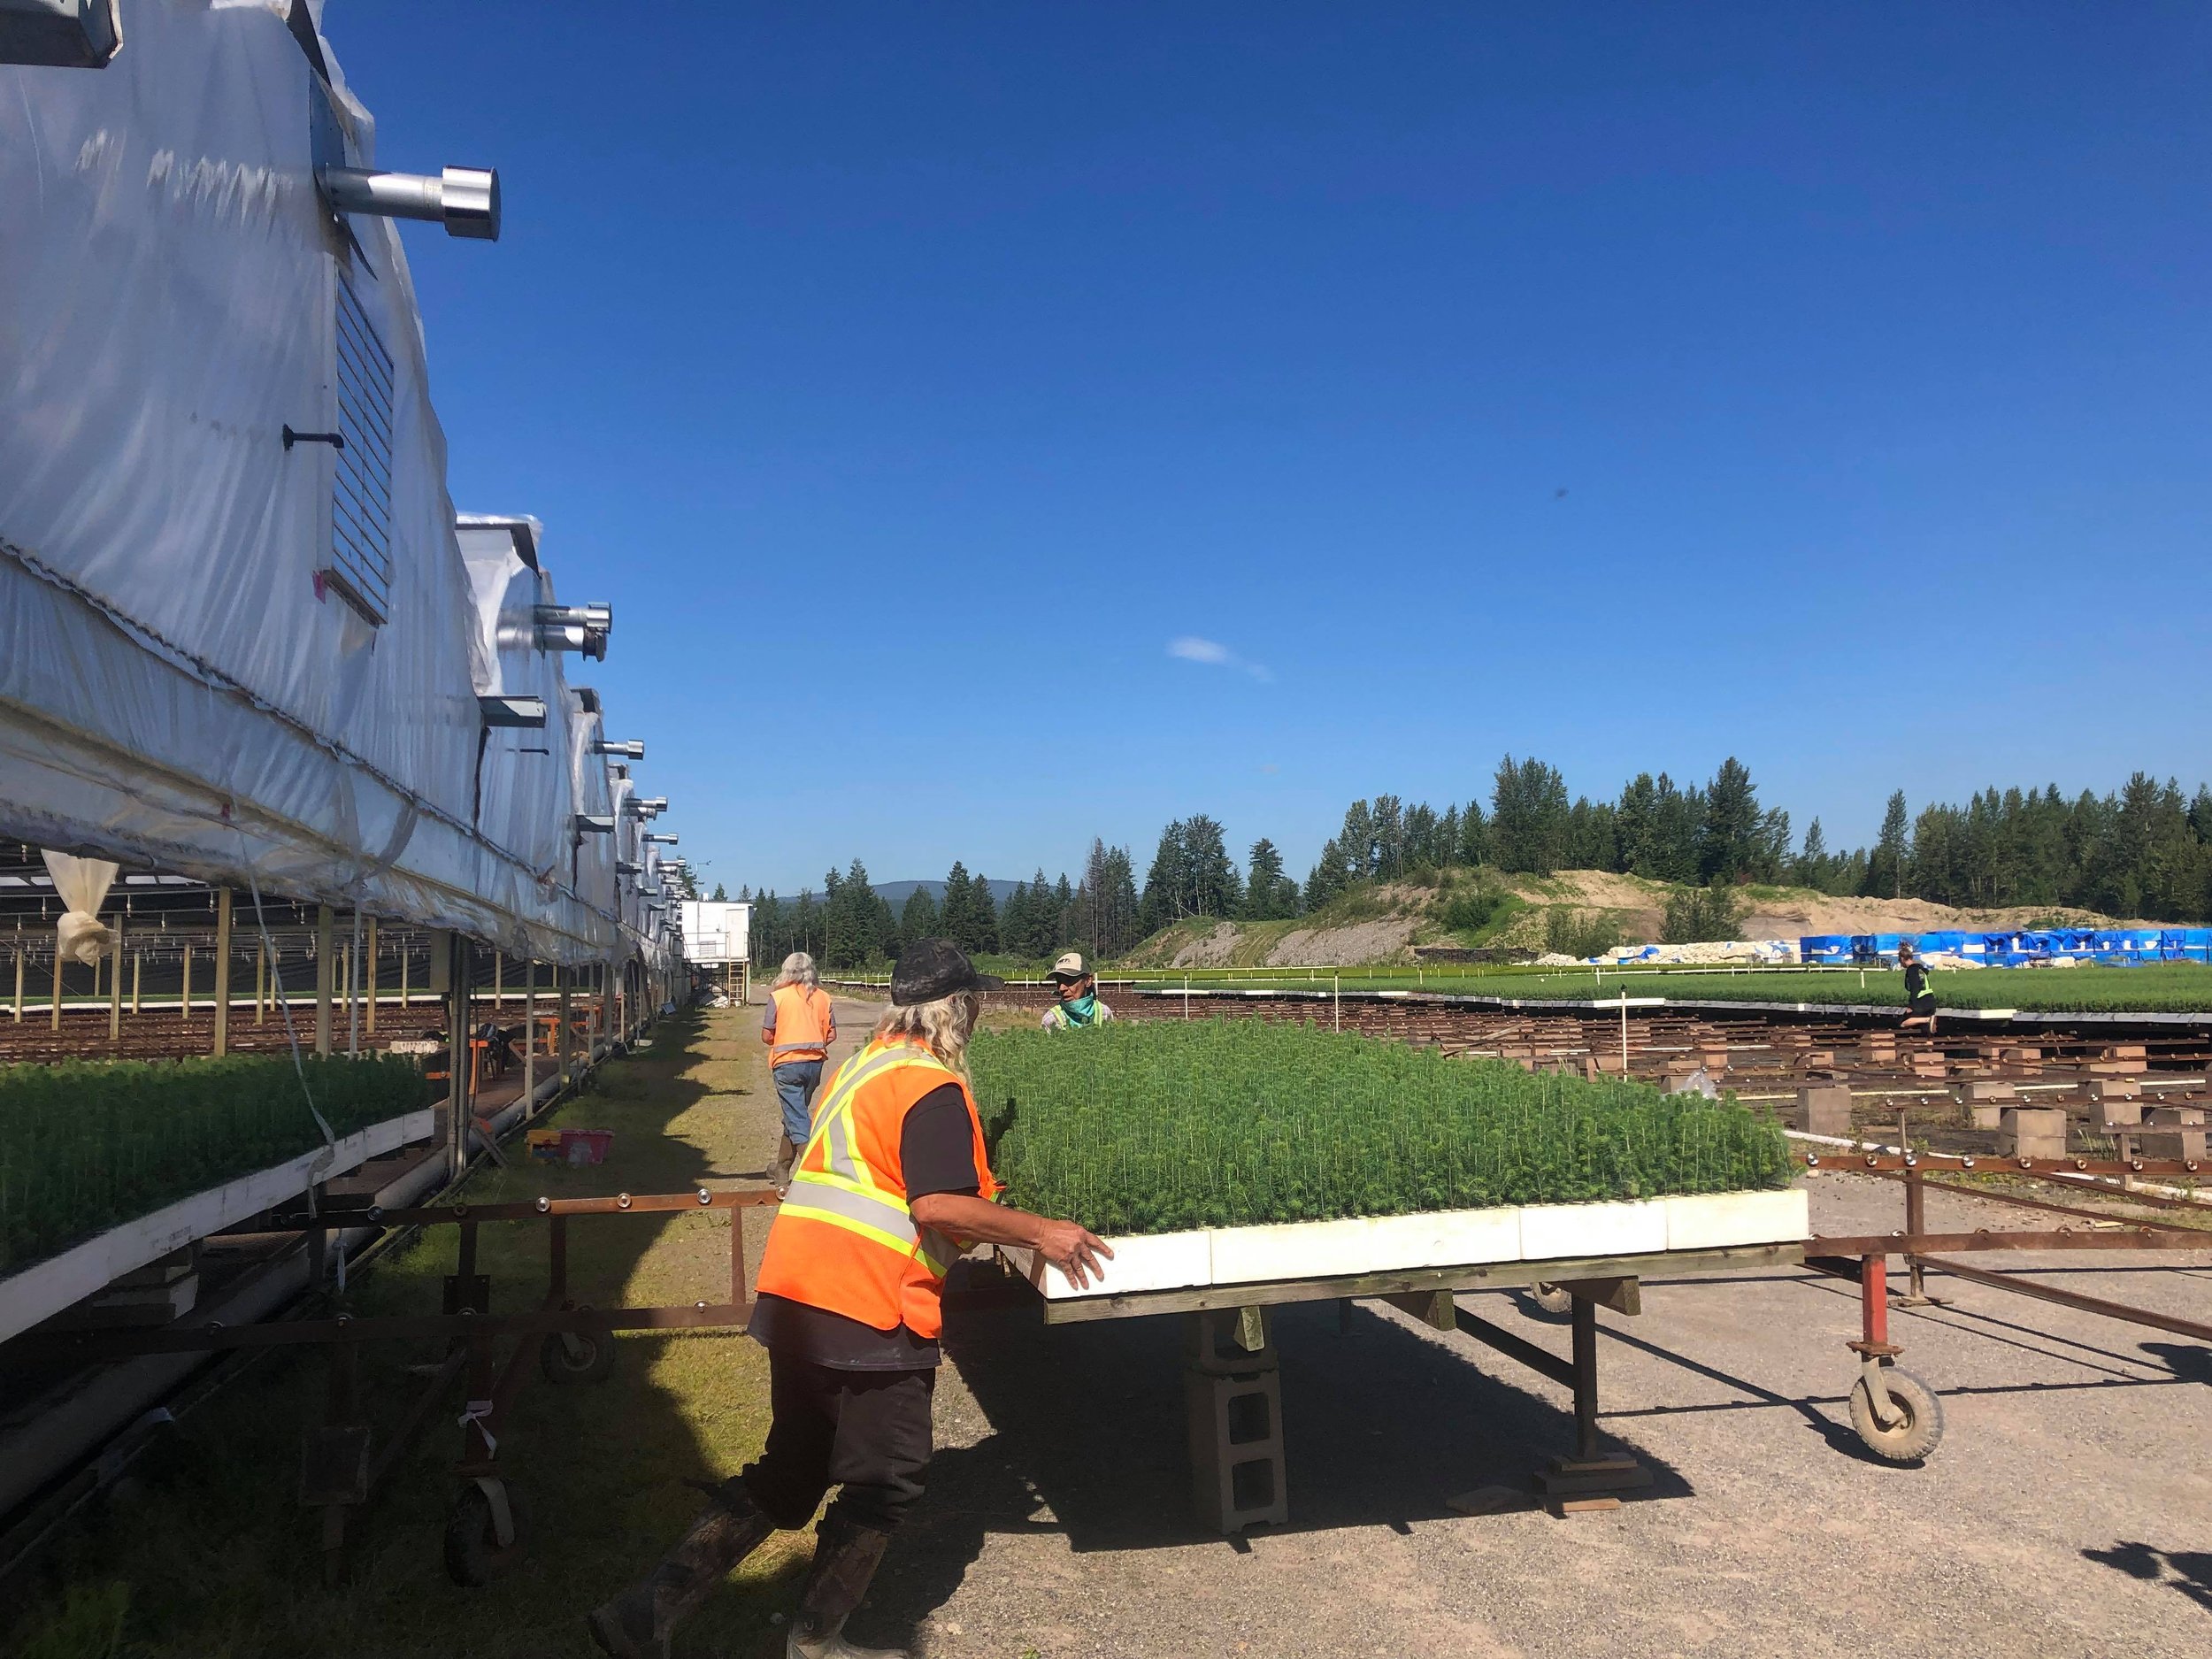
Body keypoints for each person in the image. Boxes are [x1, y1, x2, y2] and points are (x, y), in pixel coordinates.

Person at [588, 939, 1112, 1659]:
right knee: (888, 1481)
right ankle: (815, 1640)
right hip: (869, 1312)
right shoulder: (931, 1083)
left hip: (801, 1295)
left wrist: (984, 1202)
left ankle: (644, 1612)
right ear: (956, 1009)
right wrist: (1039, 1230)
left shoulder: (865, 1067)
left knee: (791, 1471)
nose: (980, 1012)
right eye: (976, 1001)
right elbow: (932, 1205)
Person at [763, 952, 835, 1191]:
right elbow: (831, 1034)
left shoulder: (778, 997)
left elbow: (766, 1035)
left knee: (797, 1117)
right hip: (814, 1064)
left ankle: (816, 1172)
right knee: (794, 1115)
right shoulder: (824, 998)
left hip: (786, 1065)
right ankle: (781, 1168)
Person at [1039, 950, 1113, 1031]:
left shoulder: (1104, 1013)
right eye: (1059, 982)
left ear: (1088, 980)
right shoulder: (1051, 1020)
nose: (1062, 988)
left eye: (1069, 980)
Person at [1899, 941, 1938, 1034]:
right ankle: (1929, 1045)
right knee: (1926, 1030)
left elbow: (1914, 988)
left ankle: (1927, 1019)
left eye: (1900, 961)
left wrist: (1911, 1006)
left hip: (1921, 1002)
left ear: (1903, 958)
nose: (1901, 963)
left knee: (1903, 1023)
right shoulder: (1921, 969)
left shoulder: (1911, 970)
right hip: (1931, 1000)